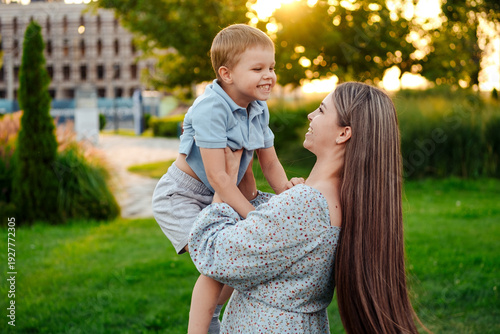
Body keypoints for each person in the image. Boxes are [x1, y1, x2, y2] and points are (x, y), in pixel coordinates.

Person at [189, 82, 426, 333]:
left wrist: (222, 185)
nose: (310, 115)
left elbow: (214, 253)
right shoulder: (344, 200)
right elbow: (275, 234)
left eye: (322, 110)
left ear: (344, 133)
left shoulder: (307, 204)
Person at [152, 24, 301, 334]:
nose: (269, 75)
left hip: (220, 192)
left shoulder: (258, 108)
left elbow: (269, 161)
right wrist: (256, 218)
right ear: (227, 73)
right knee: (219, 260)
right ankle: (200, 330)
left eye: (271, 67)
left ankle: (214, 319)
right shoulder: (211, 109)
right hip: (182, 195)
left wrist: (288, 194)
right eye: (258, 68)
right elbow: (219, 177)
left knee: (236, 262)